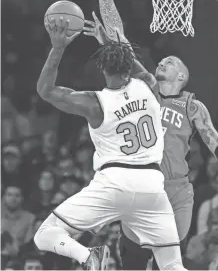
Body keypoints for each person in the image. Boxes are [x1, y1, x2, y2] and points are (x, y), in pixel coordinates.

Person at [82, 0, 218, 269]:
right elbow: (119, 39)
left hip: (177, 192)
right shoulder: (148, 88)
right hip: (143, 186)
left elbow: (213, 142)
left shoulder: (192, 106)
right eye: (164, 59)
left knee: (167, 260)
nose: (164, 61)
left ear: (182, 76)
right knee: (132, 259)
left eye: (171, 61)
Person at [34, 13, 187, 270]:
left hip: (113, 184)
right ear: (129, 66)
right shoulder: (148, 85)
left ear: (101, 69)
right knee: (173, 266)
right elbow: (137, 67)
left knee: (46, 234)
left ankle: (89, 258)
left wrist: (58, 48)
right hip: (151, 186)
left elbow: (45, 91)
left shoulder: (94, 103)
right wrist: (109, 43)